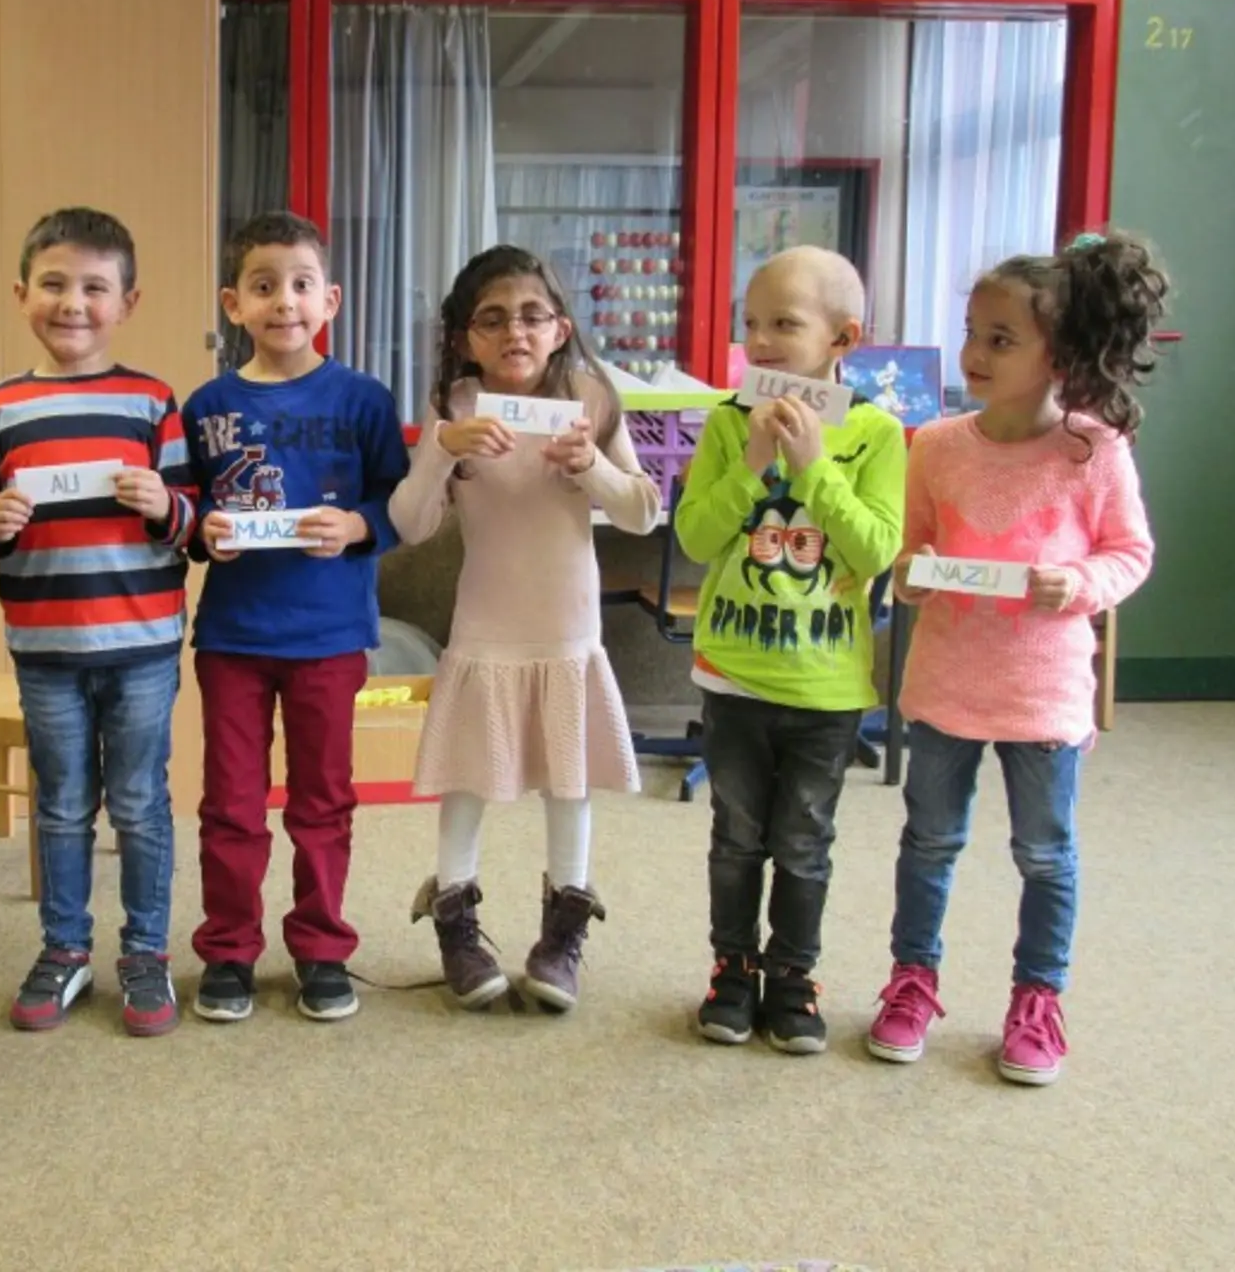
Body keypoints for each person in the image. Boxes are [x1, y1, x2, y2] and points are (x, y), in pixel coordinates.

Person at [867, 231, 1162, 1086]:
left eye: (1001, 339)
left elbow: (1130, 554)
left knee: (1044, 853)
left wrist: (1073, 583)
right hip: (947, 687)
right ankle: (912, 982)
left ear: (1059, 354)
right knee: (929, 841)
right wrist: (912, 580)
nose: (975, 354)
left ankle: (1038, 999)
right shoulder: (937, 446)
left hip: (1043, 698)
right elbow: (912, 552)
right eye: (971, 333)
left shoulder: (1094, 450)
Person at [392, 246, 662, 1012]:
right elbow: (411, 526)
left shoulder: (588, 395)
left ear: (560, 327)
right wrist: (440, 454)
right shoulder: (458, 407)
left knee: (568, 779)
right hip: (486, 630)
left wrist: (593, 470)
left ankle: (564, 929)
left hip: (567, 635)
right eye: (493, 318)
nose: (516, 330)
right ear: (466, 338)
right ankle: (455, 917)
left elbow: (641, 510)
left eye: (533, 316)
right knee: (469, 778)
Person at [0, 208, 197, 1038]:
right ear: (22, 292)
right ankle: (64, 948)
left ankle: (145, 952)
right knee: (61, 806)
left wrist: (164, 503)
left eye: (96, 287)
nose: (74, 303)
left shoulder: (152, 401)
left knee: (139, 802)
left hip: (142, 646)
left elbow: (195, 525)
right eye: (55, 284)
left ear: (128, 301)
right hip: (45, 648)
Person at [675, 246, 905, 1054]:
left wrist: (813, 470)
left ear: (843, 337)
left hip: (827, 690)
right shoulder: (728, 423)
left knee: (804, 841)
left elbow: (877, 551)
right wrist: (753, 465)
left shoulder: (876, 434)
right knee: (737, 836)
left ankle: (794, 977)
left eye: (785, 324)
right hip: (735, 677)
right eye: (752, 324)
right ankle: (732, 970)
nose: (762, 341)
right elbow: (698, 537)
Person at [183, 210, 409, 1023]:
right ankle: (230, 950)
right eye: (264, 285)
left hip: (329, 636)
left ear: (332, 300)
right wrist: (205, 531)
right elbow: (190, 509)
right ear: (232, 304)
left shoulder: (363, 399)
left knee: (323, 800)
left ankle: (320, 948)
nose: (285, 301)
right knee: (231, 806)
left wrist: (356, 527)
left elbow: (399, 501)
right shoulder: (206, 402)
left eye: (302, 285)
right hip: (234, 638)